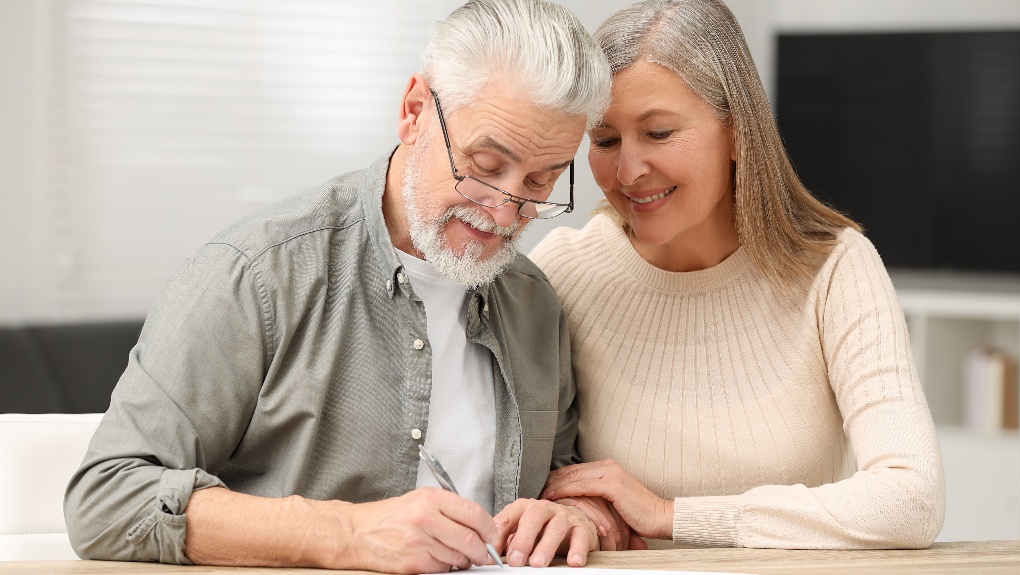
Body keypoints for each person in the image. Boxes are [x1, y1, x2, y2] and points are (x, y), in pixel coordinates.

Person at [63, 1, 613, 572]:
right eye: (484, 165)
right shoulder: (257, 276)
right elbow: (106, 500)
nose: (504, 215)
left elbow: (560, 479)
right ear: (415, 110)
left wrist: (574, 512)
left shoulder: (533, 301)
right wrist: (344, 533)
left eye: (540, 182)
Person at [525, 0, 945, 551]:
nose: (627, 172)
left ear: (738, 132)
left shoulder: (835, 269)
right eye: (604, 141)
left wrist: (671, 515)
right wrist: (580, 511)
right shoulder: (561, 272)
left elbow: (911, 500)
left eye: (658, 133)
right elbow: (541, 475)